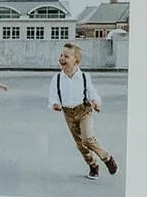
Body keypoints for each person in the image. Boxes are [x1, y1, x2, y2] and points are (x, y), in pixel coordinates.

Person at [48, 42, 118, 180]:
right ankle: (93, 166)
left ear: (76, 61)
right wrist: (55, 103)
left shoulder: (84, 77)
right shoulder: (57, 78)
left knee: (87, 138)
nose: (62, 58)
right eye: (61, 55)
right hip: (68, 113)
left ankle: (107, 157)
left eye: (66, 56)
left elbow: (92, 92)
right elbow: (53, 95)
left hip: (84, 110)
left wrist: (96, 102)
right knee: (80, 144)